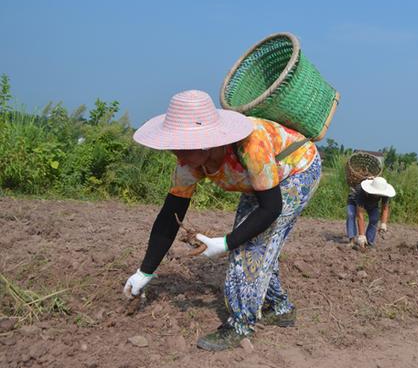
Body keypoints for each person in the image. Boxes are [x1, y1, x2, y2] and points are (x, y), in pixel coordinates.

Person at [122, 90, 321, 351]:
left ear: (205, 142)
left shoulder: (251, 145)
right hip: (260, 182)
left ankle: (240, 325)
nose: (178, 157)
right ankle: (280, 308)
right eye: (174, 148)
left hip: (297, 169)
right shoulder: (189, 164)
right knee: (252, 239)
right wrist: (145, 270)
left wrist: (227, 243)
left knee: (249, 247)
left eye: (183, 148)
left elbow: (271, 208)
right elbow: (170, 216)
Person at [346, 177, 395, 248]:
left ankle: (369, 242)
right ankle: (352, 240)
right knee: (350, 214)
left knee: (375, 218)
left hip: (371, 203)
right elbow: (360, 214)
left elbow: (384, 208)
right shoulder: (361, 191)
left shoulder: (384, 193)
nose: (378, 194)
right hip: (354, 199)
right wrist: (361, 235)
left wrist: (383, 224)